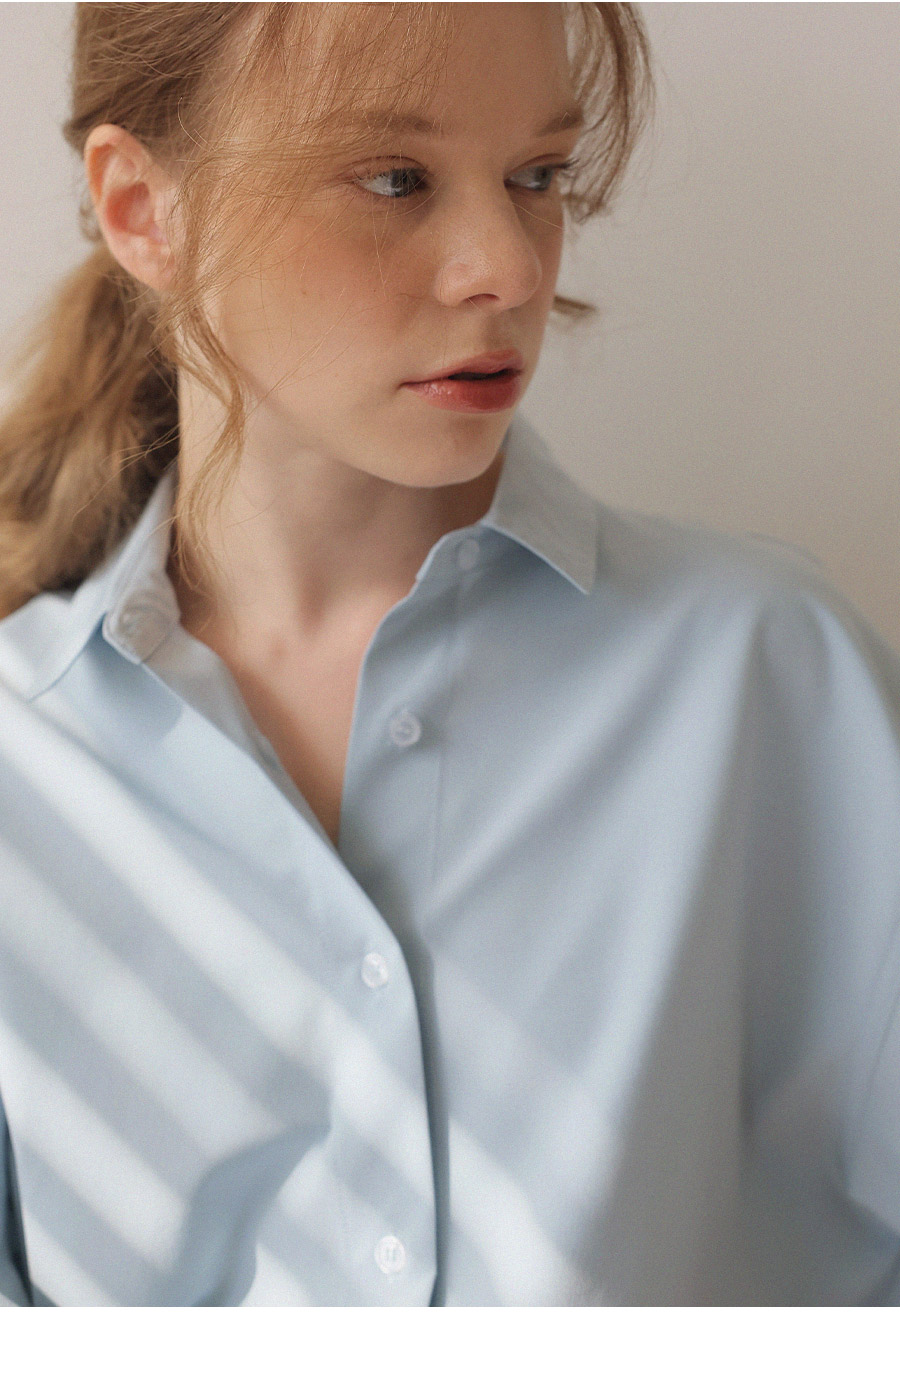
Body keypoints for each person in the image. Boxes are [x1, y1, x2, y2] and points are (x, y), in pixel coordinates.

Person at [0, 0, 899, 1308]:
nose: (509, 270)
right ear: (145, 210)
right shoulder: (25, 768)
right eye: (394, 179)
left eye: (537, 175)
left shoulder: (770, 683)